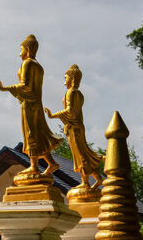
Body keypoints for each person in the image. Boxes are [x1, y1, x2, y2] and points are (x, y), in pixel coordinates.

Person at [0, 34, 63, 176]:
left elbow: (25, 86)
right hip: (36, 103)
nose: (20, 54)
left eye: (21, 49)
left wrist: (5, 88)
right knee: (38, 134)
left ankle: (34, 166)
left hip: (28, 104)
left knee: (31, 134)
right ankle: (51, 163)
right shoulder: (39, 66)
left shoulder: (28, 63)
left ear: (27, 49)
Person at [44, 64, 104, 192]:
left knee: (80, 155)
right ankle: (98, 178)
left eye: (65, 78)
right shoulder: (79, 93)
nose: (64, 82)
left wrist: (52, 115)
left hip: (74, 128)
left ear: (71, 78)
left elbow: (70, 111)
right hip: (76, 127)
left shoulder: (71, 92)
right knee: (83, 153)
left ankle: (85, 183)